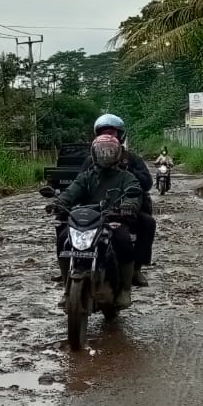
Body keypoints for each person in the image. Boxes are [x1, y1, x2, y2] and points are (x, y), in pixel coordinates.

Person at [50, 132, 144, 307]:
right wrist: (58, 203)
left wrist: (129, 205)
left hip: (113, 218)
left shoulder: (126, 177)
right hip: (87, 220)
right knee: (64, 238)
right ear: (94, 154)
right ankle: (66, 288)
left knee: (123, 240)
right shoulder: (87, 176)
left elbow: (133, 192)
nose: (105, 155)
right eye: (101, 151)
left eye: (109, 151)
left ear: (117, 154)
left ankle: (125, 290)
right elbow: (71, 192)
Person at [81, 113, 156, 283]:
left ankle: (136, 268)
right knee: (63, 221)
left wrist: (125, 170)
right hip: (95, 209)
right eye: (103, 133)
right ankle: (70, 264)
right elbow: (78, 186)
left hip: (125, 209)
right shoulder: (90, 161)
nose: (108, 137)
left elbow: (147, 183)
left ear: (120, 136)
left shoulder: (131, 159)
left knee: (148, 223)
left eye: (112, 133)